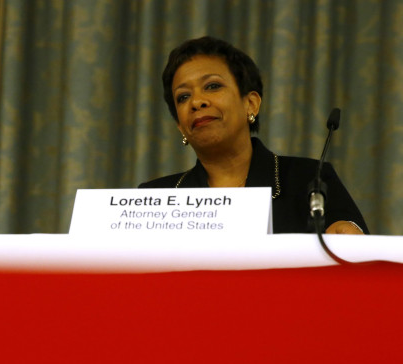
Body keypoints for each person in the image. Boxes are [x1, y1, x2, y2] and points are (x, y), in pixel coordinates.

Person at [139, 36, 368, 234]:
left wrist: (348, 233)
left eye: (212, 86)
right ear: (180, 126)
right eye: (183, 97)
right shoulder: (153, 198)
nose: (197, 102)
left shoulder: (312, 181)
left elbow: (359, 263)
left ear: (251, 104)